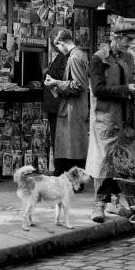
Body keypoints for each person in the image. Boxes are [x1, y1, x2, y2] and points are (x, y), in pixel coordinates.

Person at [85, 21, 135, 223]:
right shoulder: (98, 59)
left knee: (123, 159)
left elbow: (133, 80)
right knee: (103, 160)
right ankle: (99, 203)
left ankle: (116, 201)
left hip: (126, 116)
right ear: (116, 37)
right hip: (106, 118)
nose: (129, 44)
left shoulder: (128, 58)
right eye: (127, 40)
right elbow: (98, 89)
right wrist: (126, 90)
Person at [44, 29, 89, 176]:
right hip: (73, 107)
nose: (58, 50)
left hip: (73, 108)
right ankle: (72, 179)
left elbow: (79, 85)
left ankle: (73, 180)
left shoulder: (74, 57)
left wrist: (57, 83)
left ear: (60, 43)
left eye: (57, 47)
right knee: (71, 146)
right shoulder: (79, 54)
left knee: (71, 146)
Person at [41, 37, 68, 168]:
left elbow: (63, 75)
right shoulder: (59, 57)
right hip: (53, 104)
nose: (52, 47)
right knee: (56, 137)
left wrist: (48, 72)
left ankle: (60, 168)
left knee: (58, 138)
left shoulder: (64, 57)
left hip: (57, 104)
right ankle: (59, 167)